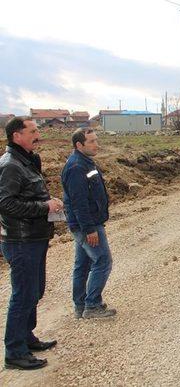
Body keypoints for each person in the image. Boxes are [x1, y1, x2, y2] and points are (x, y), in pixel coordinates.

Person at [0, 117, 61, 370]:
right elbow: (6, 204)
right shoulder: (10, 165)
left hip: (34, 237)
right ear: (17, 136)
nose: (38, 135)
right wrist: (44, 206)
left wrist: (49, 203)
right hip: (21, 241)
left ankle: (26, 337)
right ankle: (14, 352)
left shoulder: (27, 160)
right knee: (23, 294)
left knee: (34, 292)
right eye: (33, 131)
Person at [61, 128, 117, 319]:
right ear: (79, 145)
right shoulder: (76, 167)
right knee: (102, 261)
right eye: (91, 141)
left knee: (83, 264)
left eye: (96, 140)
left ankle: (80, 306)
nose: (96, 144)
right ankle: (92, 306)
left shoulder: (84, 162)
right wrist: (89, 229)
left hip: (87, 224)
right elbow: (79, 202)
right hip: (87, 225)